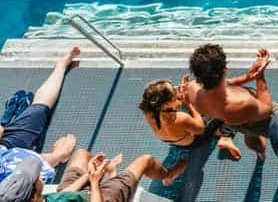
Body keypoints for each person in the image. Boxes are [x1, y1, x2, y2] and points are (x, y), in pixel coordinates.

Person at [0, 47, 81, 185]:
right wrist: (59, 155)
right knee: (39, 109)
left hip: (5, 151)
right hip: (10, 165)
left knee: (38, 110)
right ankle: (60, 67)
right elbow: (29, 165)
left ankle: (60, 67)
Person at [184, 44, 273, 157]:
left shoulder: (192, 88)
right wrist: (259, 76)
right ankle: (260, 150)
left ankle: (259, 151)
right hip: (253, 118)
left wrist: (248, 77)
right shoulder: (241, 103)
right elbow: (267, 110)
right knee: (256, 132)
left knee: (249, 134)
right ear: (225, 67)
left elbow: (223, 83)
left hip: (233, 119)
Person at [8, 147, 187, 202]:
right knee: (145, 160)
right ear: (31, 197)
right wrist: (95, 183)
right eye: (34, 178)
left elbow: (61, 195)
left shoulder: (41, 198)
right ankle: (168, 175)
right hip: (97, 198)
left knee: (81, 154)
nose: (38, 175)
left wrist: (89, 173)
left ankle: (108, 172)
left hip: (74, 195)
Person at [139, 77, 241, 159]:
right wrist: (188, 103)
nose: (176, 88)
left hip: (175, 140)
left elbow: (170, 108)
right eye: (174, 91)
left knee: (191, 95)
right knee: (233, 107)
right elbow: (200, 129)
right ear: (166, 103)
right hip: (197, 140)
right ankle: (224, 135)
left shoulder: (149, 111)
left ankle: (217, 130)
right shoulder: (180, 118)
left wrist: (181, 95)